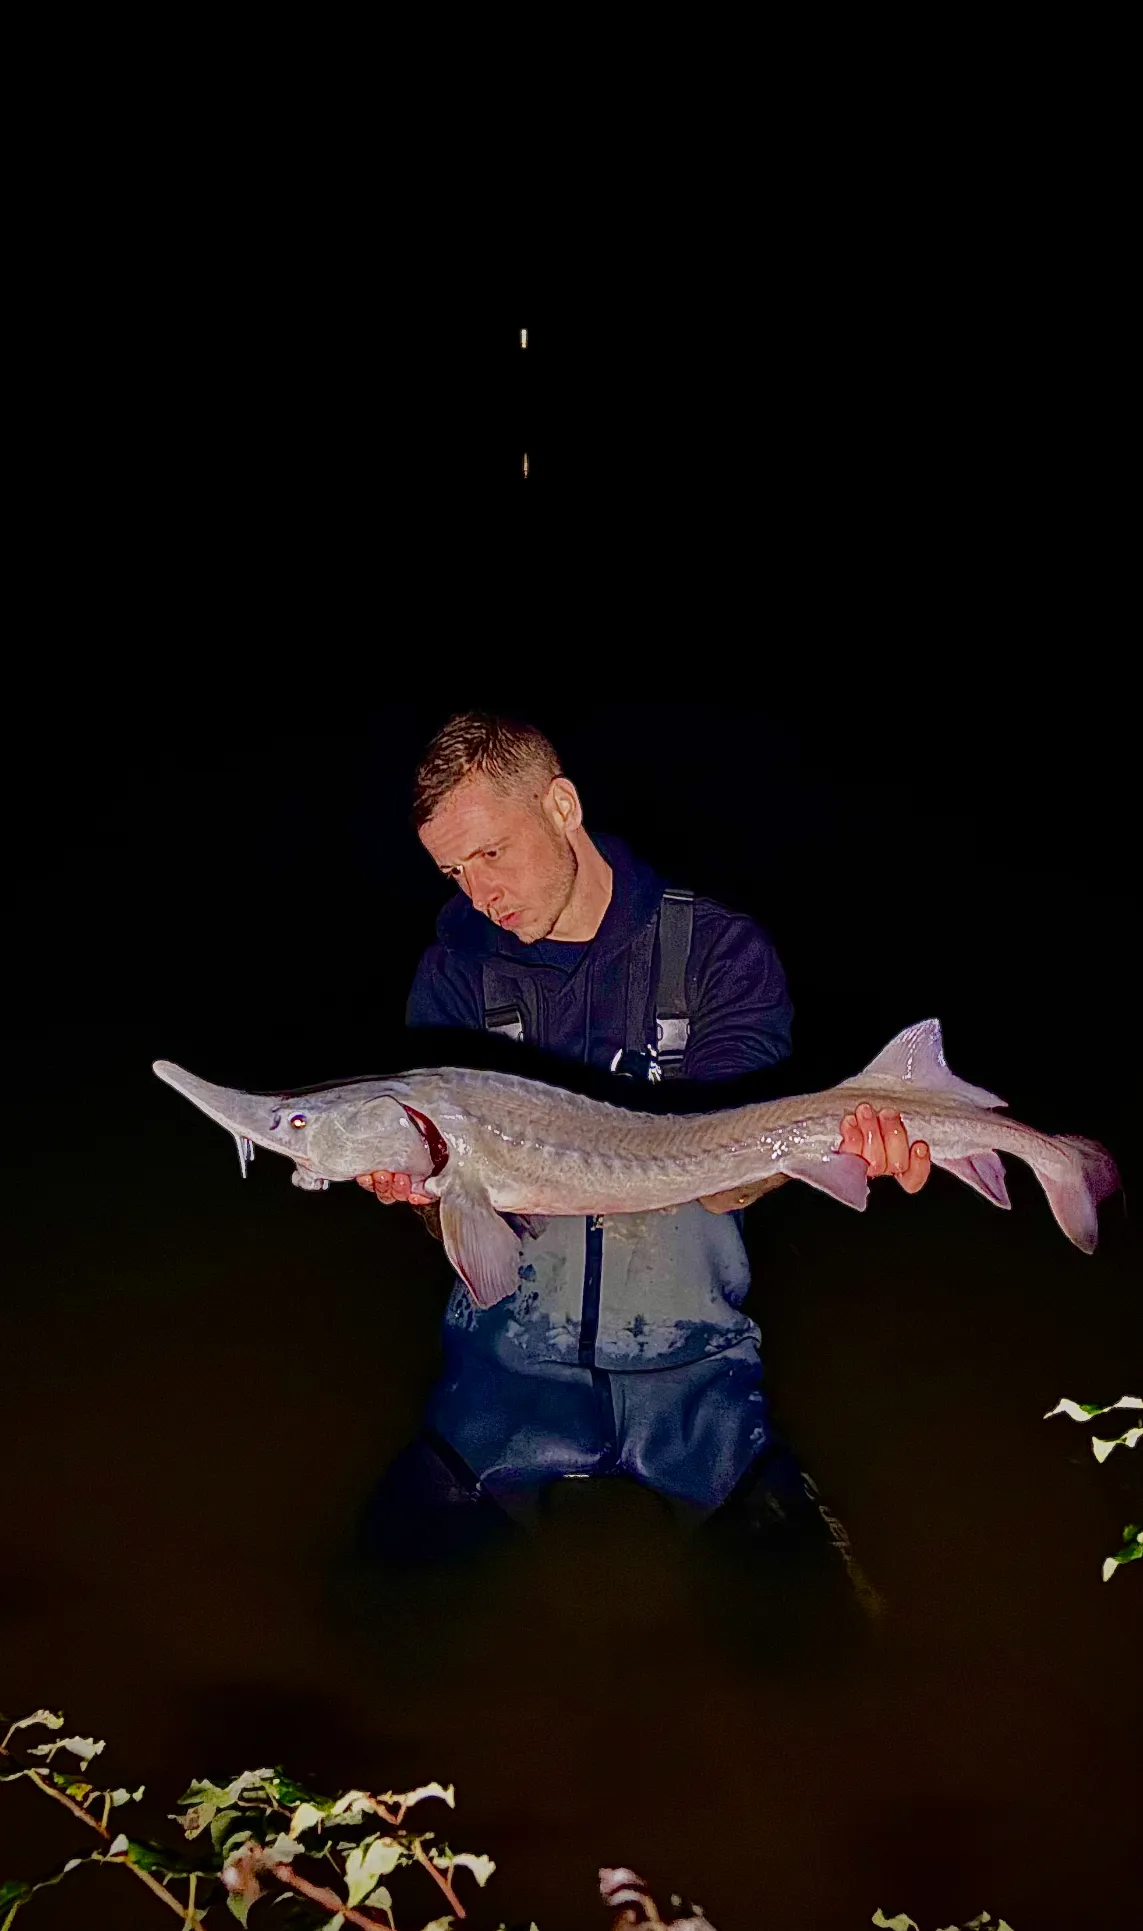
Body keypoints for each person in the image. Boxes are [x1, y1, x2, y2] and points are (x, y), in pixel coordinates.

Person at [357, 712, 930, 1584]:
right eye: (452, 870)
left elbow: (724, 1185)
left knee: (828, 1651)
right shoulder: (454, 973)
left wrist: (845, 1148)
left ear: (560, 805)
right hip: (506, 1374)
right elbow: (455, 1231)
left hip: (695, 1378)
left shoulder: (715, 952)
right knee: (373, 1616)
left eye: (492, 853)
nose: (477, 893)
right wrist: (422, 1196)